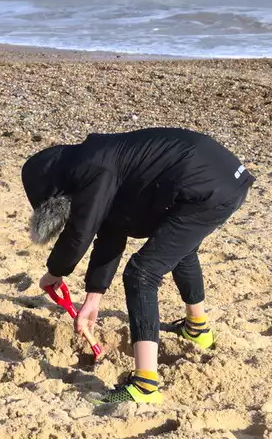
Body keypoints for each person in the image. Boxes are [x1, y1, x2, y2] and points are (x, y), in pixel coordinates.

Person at [23, 128, 254, 405]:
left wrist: (55, 272)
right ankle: (197, 330)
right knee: (180, 246)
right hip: (222, 178)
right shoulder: (95, 159)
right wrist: (93, 298)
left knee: (141, 273)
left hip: (207, 187)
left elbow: (80, 233)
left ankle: (144, 385)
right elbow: (111, 232)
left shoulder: (93, 168)